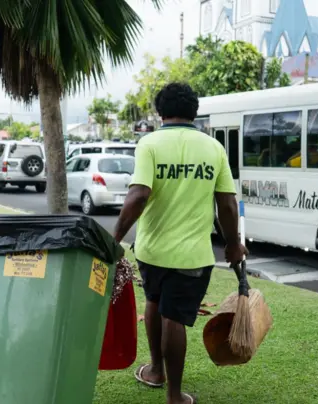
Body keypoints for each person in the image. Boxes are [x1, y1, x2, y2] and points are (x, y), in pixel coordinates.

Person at [113, 83, 248, 404]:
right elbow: (227, 204)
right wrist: (233, 245)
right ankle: (174, 396)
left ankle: (156, 371)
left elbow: (138, 195)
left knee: (154, 302)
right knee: (174, 317)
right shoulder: (213, 148)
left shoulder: (149, 144)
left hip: (151, 250)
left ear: (160, 112)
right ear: (194, 112)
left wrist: (114, 238)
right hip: (192, 256)